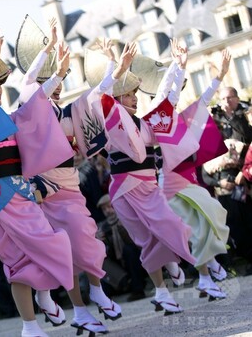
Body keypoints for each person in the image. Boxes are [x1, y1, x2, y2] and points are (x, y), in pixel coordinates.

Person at [0, 17, 74, 336]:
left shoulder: (10, 119)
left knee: (43, 247)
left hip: (19, 190)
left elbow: (35, 102)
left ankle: (45, 297)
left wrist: (58, 72)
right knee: (17, 262)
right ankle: (30, 325)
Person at [16, 24, 130, 334]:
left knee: (86, 240)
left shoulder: (66, 113)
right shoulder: (29, 109)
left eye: (58, 84)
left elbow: (96, 95)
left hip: (69, 182)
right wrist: (53, 56)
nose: (56, 87)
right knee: (63, 251)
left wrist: (115, 67)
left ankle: (95, 291)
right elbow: (30, 86)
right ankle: (78, 309)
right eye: (50, 83)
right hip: (44, 185)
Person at [84, 39, 198, 315]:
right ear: (119, 98)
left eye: (136, 93)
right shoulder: (110, 124)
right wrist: (115, 64)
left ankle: (168, 275)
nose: (135, 97)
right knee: (148, 240)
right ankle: (162, 290)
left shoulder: (146, 124)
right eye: (130, 93)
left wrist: (178, 66)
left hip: (147, 187)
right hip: (124, 189)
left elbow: (166, 98)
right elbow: (101, 97)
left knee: (167, 228)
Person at [156, 49, 232, 299]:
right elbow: (170, 92)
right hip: (173, 186)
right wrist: (179, 66)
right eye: (169, 97)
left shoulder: (180, 118)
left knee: (209, 222)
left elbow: (205, 100)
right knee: (198, 230)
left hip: (188, 181)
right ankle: (206, 276)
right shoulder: (158, 121)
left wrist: (219, 77)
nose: (174, 98)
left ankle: (209, 269)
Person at [203, 84, 252, 272]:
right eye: (222, 99)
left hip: (244, 173)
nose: (226, 102)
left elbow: (248, 141)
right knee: (233, 224)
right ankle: (246, 257)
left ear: (237, 98)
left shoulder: (243, 117)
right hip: (223, 177)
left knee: (249, 218)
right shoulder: (214, 119)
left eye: (229, 98)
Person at [97, 194, 147, 302]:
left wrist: (121, 229)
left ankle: (138, 290)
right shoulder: (103, 226)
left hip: (135, 259)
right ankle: (105, 299)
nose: (108, 211)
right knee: (99, 259)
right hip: (117, 261)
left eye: (109, 207)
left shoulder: (126, 218)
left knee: (129, 251)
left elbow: (134, 242)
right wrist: (99, 241)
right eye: (104, 209)